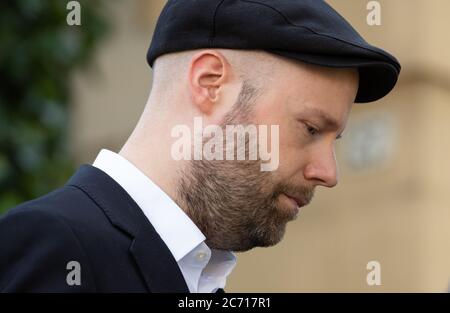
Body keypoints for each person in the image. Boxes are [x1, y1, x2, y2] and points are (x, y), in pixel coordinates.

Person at [0, 0, 400, 292]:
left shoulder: (199, 280)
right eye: (311, 128)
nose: (329, 173)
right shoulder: (57, 246)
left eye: (336, 139)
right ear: (210, 83)